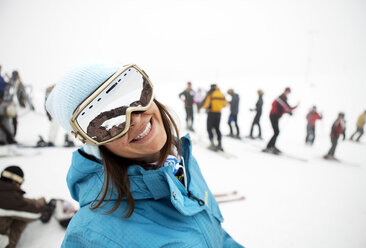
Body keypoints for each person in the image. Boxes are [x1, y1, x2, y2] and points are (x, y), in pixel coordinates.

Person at [46, 63, 243, 247]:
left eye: (133, 95)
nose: (135, 117)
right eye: (106, 122)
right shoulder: (90, 236)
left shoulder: (182, 164)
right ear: (90, 141)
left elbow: (215, 236)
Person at [0, 166, 55, 248]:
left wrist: (39, 201)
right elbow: (34, 213)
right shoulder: (8, 199)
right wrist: (43, 203)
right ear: (15, 181)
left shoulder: (4, 194)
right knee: (22, 219)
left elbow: (21, 202)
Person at [264, 87, 298, 154]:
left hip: (275, 116)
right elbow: (286, 107)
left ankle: (271, 146)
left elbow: (284, 108)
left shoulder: (283, 98)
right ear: (285, 91)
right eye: (287, 91)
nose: (287, 93)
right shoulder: (281, 98)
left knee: (276, 132)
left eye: (288, 92)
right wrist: (291, 110)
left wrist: (289, 111)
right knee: (276, 132)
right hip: (273, 115)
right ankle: (270, 146)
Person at [200, 84, 228, 151]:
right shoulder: (221, 94)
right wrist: (219, 106)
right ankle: (219, 144)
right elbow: (226, 104)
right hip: (219, 113)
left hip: (211, 113)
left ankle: (212, 143)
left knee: (209, 128)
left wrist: (202, 107)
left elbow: (206, 104)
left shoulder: (211, 94)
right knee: (217, 128)